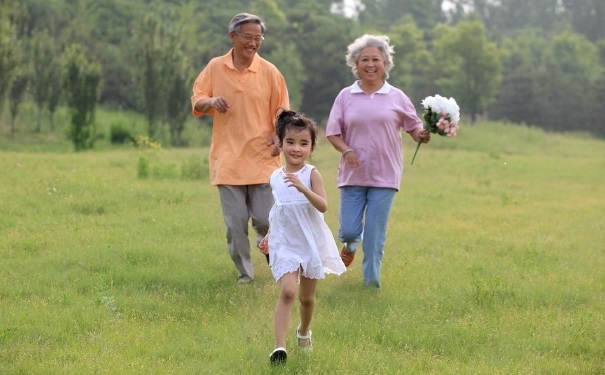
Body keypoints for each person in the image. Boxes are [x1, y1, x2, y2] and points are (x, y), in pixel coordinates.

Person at [190, 13, 289, 284]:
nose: (253, 42)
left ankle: (278, 263)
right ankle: (245, 275)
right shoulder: (215, 67)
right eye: (248, 37)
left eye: (258, 38)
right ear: (232, 36)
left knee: (265, 221)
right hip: (228, 159)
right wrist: (210, 101)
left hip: (262, 158)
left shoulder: (270, 71)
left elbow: (283, 111)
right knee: (235, 225)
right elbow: (197, 99)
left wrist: (280, 137)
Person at [325, 34, 431, 289]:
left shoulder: (396, 96)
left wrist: (422, 134)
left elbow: (413, 126)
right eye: (364, 60)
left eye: (376, 59)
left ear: (385, 63)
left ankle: (371, 284)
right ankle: (350, 245)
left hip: (385, 176)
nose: (370, 64)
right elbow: (332, 132)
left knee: (374, 237)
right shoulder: (345, 95)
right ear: (356, 64)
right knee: (350, 231)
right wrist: (347, 150)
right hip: (353, 176)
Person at [259, 110, 346, 365]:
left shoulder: (311, 174)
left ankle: (304, 331)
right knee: (287, 292)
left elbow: (323, 206)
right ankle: (279, 348)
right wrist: (269, 235)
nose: (296, 149)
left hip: (309, 242)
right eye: (290, 142)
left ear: (311, 147)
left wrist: (303, 188)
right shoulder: (275, 176)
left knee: (306, 298)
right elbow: (279, 211)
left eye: (303, 143)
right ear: (280, 144)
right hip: (285, 242)